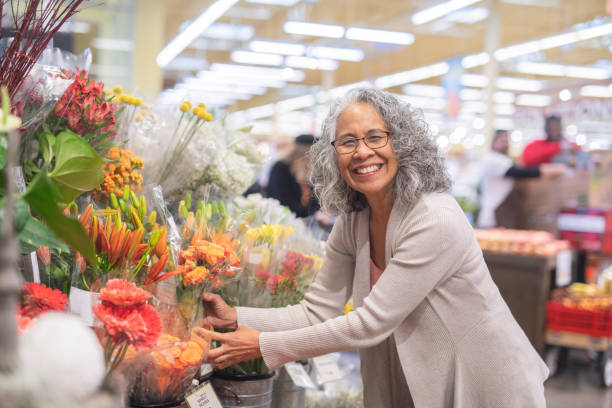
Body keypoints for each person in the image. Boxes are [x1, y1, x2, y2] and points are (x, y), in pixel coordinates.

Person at [200, 88, 548, 407]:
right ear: (332, 156)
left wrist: (264, 345)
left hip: (483, 382)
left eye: (375, 137)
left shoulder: (434, 217)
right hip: (417, 377)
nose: (362, 151)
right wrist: (237, 316)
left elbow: (370, 324)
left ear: (403, 143)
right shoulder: (354, 221)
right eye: (347, 142)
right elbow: (316, 310)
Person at [477, 129, 566, 228]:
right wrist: (547, 170)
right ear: (494, 142)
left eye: (507, 141)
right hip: (493, 216)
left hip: (504, 212)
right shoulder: (493, 159)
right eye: (502, 141)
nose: (506, 144)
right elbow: (519, 172)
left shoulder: (504, 160)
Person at [266, 134, 320, 218]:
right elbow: (281, 200)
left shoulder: (311, 170)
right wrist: (312, 213)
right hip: (284, 218)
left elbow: (316, 198)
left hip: (305, 218)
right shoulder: (281, 167)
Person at [522, 115, 588, 167]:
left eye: (556, 128)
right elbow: (528, 159)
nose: (554, 131)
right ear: (546, 129)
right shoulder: (538, 145)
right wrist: (558, 147)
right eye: (551, 128)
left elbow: (583, 156)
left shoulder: (569, 145)